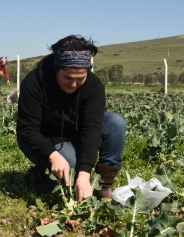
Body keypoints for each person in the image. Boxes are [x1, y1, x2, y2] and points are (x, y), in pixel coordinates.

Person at [16, 35, 127, 202]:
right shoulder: (34, 83)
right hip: (41, 139)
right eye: (68, 78)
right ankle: (39, 174)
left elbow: (92, 130)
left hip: (73, 134)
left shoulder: (93, 86)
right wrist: (52, 155)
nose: (74, 84)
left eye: (80, 79)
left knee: (115, 122)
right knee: (71, 170)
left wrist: (85, 174)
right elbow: (27, 130)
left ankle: (104, 185)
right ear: (56, 67)